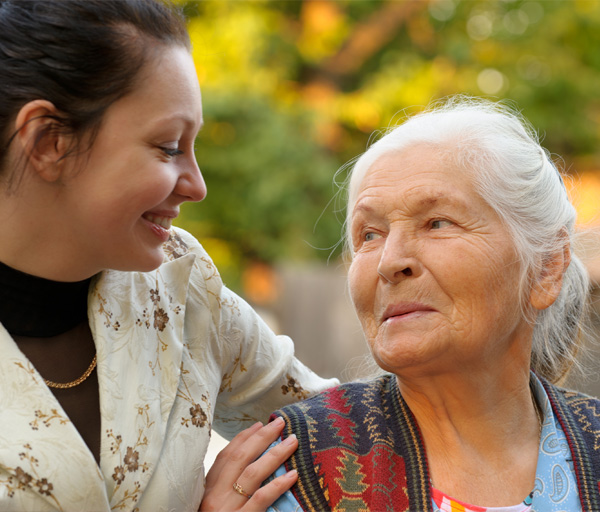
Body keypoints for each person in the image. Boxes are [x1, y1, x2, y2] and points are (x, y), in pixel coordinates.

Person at [0, 1, 337, 511]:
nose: (198, 186)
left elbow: (339, 426)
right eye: (168, 146)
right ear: (49, 141)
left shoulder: (183, 285)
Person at [258, 97, 600, 512]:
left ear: (546, 267)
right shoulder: (292, 471)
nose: (389, 262)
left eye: (437, 223)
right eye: (369, 234)